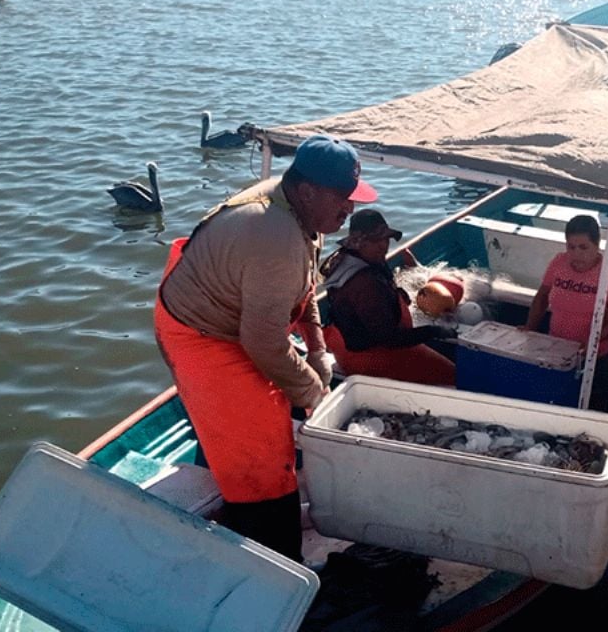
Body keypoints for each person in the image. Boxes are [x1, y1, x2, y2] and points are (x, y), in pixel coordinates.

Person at [154, 134, 376, 561]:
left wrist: (316, 350)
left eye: (354, 198)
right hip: (202, 335)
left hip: (241, 316)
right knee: (266, 469)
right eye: (343, 199)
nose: (350, 210)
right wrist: (315, 395)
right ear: (307, 191)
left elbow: (304, 288)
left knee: (276, 406)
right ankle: (271, 556)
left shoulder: (304, 212)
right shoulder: (272, 234)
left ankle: (223, 468)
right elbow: (264, 344)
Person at [321, 208, 457, 385]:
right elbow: (388, 339)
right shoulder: (365, 283)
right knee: (452, 376)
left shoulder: (355, 258)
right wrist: (433, 332)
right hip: (370, 355)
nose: (383, 246)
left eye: (385, 238)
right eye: (375, 240)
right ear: (360, 242)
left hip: (347, 343)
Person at [522, 215, 608, 413]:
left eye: (583, 247)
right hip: (558, 352)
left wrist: (594, 341)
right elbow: (542, 296)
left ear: (597, 245)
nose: (576, 254)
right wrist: (530, 327)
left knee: (597, 409)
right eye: (571, 247)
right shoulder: (558, 262)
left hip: (597, 358)